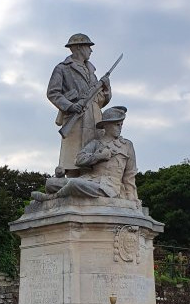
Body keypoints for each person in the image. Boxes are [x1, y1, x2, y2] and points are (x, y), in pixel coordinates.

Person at [34, 107, 137, 201]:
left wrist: (131, 195)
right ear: (106, 125)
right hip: (89, 180)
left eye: (121, 125)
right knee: (50, 183)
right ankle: (65, 192)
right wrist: (99, 157)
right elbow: (78, 160)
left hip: (109, 187)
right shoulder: (96, 143)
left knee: (74, 184)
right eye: (116, 124)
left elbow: (130, 174)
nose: (119, 128)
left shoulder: (127, 145)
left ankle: (52, 197)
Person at [47, 33, 112, 174]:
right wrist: (70, 106)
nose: (91, 50)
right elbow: (53, 93)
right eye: (88, 46)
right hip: (75, 117)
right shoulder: (63, 68)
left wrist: (106, 88)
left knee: (94, 162)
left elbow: (100, 101)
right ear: (78, 47)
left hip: (94, 118)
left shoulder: (91, 71)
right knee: (73, 160)